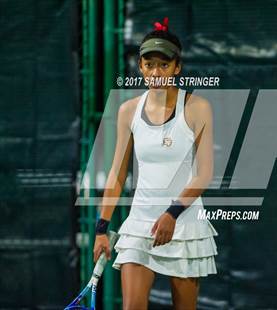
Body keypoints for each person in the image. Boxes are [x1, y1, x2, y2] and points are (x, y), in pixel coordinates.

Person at [93, 17, 218, 310]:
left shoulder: (198, 107)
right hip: (139, 225)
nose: (156, 72)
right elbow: (117, 173)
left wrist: (172, 213)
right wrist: (102, 228)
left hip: (184, 225)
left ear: (177, 67)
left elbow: (205, 173)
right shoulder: (127, 111)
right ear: (141, 67)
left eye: (164, 64)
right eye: (149, 64)